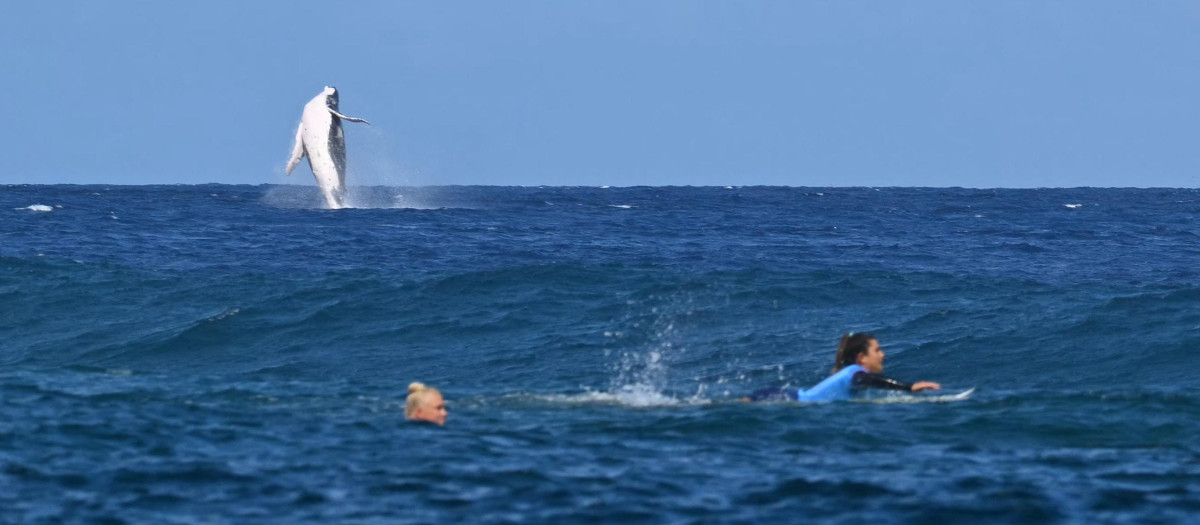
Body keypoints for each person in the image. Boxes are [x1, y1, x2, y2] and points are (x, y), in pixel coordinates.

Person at [746, 332, 940, 402]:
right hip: (782, 398)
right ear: (862, 358)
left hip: (783, 396)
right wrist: (909, 387)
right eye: (878, 350)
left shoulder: (850, 373)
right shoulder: (857, 373)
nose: (883, 354)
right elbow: (870, 381)